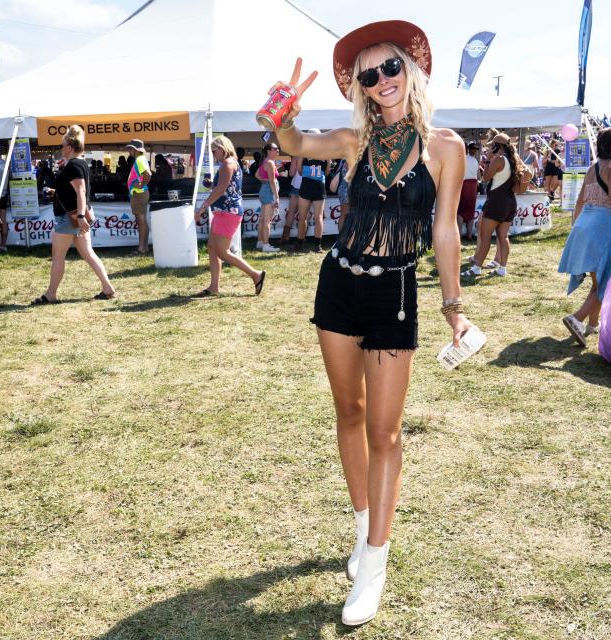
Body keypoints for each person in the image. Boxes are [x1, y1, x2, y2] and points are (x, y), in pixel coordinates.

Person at [274, 21, 469, 625]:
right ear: (359, 86)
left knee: (385, 433)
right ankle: (364, 530)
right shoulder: (354, 141)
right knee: (349, 415)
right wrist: (281, 113)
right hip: (338, 285)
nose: (381, 80)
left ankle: (376, 563)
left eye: (391, 68)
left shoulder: (445, 147)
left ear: (411, 70)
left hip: (397, 295)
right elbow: (294, 146)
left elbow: (445, 230)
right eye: (369, 74)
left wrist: (455, 309)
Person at [558, 127, 611, 345]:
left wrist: (576, 225)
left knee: (598, 280)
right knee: (606, 280)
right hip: (604, 226)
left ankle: (593, 324)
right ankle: (577, 318)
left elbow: (581, 198)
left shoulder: (593, 168)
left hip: (585, 223)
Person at [33, 125, 116, 304]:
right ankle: (107, 288)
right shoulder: (79, 164)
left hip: (69, 218)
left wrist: (79, 216)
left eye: (62, 146)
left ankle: (51, 294)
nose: (61, 149)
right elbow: (76, 191)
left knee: (58, 257)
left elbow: (81, 191)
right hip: (74, 217)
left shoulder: (74, 165)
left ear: (69, 147)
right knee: (88, 254)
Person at [193, 135, 266, 297]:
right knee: (212, 248)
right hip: (224, 211)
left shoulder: (227, 163)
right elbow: (223, 187)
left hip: (228, 212)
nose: (213, 154)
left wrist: (203, 207)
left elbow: (222, 189)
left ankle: (256, 275)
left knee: (222, 252)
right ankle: (214, 287)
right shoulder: (231, 163)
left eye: (214, 151)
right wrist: (212, 186)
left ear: (222, 148)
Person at [463, 133, 524, 278]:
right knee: (503, 236)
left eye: (492, 145)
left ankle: (477, 268)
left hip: (497, 201)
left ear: (497, 146)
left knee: (485, 236)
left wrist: (489, 160)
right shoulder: (512, 160)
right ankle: (502, 268)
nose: (490, 147)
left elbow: (485, 177)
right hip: (510, 202)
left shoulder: (498, 159)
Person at [296, 142, 328, 251]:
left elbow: (299, 172)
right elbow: (327, 172)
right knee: (318, 217)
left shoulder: (304, 153)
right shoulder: (325, 154)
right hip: (319, 186)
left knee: (303, 217)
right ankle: (317, 245)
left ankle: (299, 243)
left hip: (306, 185)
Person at [125, 139, 151, 255]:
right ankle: (144, 248)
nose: (128, 150)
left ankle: (141, 249)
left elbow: (148, 174)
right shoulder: (141, 159)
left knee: (141, 221)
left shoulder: (140, 160)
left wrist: (142, 184)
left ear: (136, 150)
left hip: (139, 193)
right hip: (141, 193)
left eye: (130, 148)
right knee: (143, 220)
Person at [254, 142, 281, 253]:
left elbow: (257, 175)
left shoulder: (265, 161)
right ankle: (266, 245)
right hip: (269, 192)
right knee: (267, 221)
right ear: (269, 151)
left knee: (263, 220)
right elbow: (272, 182)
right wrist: (277, 197)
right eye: (275, 149)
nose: (277, 150)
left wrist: (264, 180)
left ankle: (260, 242)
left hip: (264, 190)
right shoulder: (270, 162)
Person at [457, 140, 480, 241]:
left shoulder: (462, 159)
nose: (475, 151)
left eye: (475, 149)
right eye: (474, 149)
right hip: (473, 184)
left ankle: (459, 235)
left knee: (461, 210)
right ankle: (469, 235)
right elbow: (478, 175)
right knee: (470, 209)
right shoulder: (475, 161)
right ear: (470, 149)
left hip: (464, 184)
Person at [330, 157, 351, 232]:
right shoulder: (351, 158)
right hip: (349, 189)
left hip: (342, 188)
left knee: (344, 214)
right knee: (347, 214)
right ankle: (344, 237)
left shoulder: (343, 159)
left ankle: (341, 237)